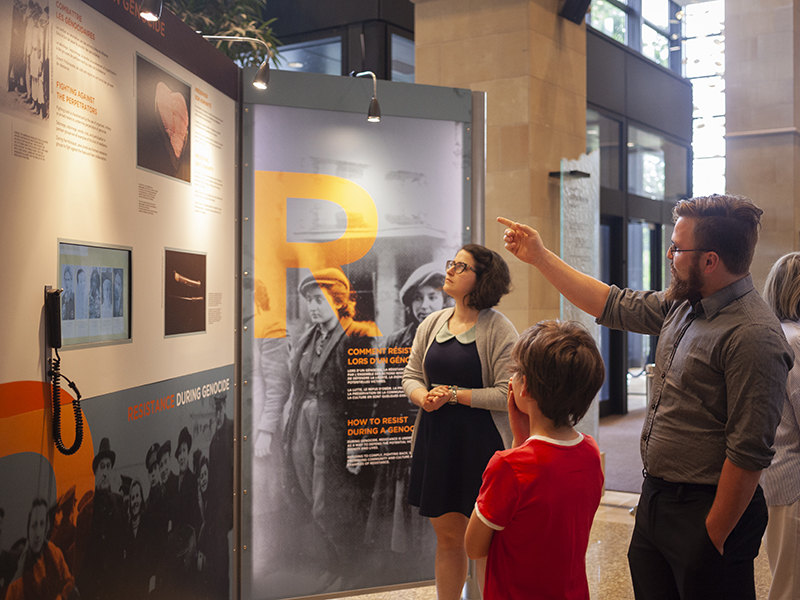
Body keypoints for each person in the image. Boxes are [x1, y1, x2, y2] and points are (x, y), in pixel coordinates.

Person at [498, 193, 793, 600]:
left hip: (706, 511)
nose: (669, 254)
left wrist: (712, 536)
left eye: (677, 247)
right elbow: (612, 303)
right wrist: (540, 257)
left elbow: (748, 453)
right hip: (657, 499)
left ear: (709, 260)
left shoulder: (753, 335)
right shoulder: (685, 305)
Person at [402, 245, 517, 600]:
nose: (449, 270)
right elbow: (410, 375)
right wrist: (424, 397)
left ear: (481, 279)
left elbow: (505, 394)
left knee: (483, 544)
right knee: (448, 539)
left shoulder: (500, 329)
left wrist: (453, 395)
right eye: (452, 263)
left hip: (482, 446)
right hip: (437, 442)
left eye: (460, 266)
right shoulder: (432, 323)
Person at [464, 320, 605, 599]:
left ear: (523, 386)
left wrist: (515, 449)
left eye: (515, 372)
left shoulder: (508, 467)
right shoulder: (590, 452)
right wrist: (521, 441)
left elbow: (474, 547)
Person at [282, 267, 379, 589]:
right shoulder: (307, 337)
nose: (313, 306)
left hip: (335, 430)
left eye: (319, 299)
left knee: (332, 504)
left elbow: (365, 398)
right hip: (303, 426)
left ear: (338, 301)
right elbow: (298, 383)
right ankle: (332, 564)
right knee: (310, 495)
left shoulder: (358, 336)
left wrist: (359, 444)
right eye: (309, 300)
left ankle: (349, 570)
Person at [365, 263, 449, 567]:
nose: (424, 305)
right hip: (402, 436)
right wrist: (370, 438)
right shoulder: (396, 340)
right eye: (418, 298)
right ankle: (404, 566)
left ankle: (431, 562)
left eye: (432, 297)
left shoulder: (454, 338)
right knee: (399, 506)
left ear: (444, 300)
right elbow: (386, 394)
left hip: (439, 435)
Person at [761, 252, 800, 600]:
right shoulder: (795, 340)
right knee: (790, 585)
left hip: (775, 476)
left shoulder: (775, 334)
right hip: (793, 480)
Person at [75, 438, 126, 600]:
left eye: (108, 466)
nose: (105, 471)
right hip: (93, 591)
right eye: (102, 467)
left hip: (115, 589)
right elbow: (80, 559)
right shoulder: (86, 511)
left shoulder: (119, 504)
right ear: (96, 472)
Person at [6, 498, 75, 600]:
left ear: (46, 527)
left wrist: (62, 597)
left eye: (42, 524)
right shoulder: (18, 575)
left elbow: (70, 582)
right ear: (28, 529)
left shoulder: (56, 554)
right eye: (34, 525)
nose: (38, 533)